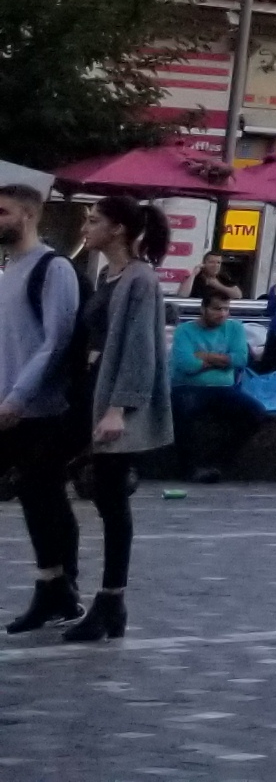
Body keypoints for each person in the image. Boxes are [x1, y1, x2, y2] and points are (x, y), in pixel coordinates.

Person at [57, 199, 170, 645]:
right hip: (91, 394)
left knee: (111, 500)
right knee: (97, 494)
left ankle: (111, 600)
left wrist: (119, 408)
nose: (87, 227)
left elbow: (141, 348)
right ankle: (85, 594)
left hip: (113, 403)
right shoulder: (107, 276)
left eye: (94, 220)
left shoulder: (140, 279)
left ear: (119, 229)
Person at [0, 179, 89, 633]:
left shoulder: (53, 269)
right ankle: (53, 590)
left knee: (45, 497)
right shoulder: (7, 270)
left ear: (29, 215)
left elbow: (57, 342)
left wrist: (18, 396)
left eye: (3, 212)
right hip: (10, 406)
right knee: (38, 500)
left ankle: (59, 590)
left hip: (44, 409)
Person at [170, 285, 262, 482]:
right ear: (203, 309)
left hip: (223, 389)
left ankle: (218, 461)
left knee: (256, 413)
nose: (222, 314)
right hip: (188, 387)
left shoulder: (235, 328)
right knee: (182, 412)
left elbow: (240, 360)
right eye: (217, 309)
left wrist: (205, 357)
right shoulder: (185, 331)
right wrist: (222, 361)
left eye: (226, 309)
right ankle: (189, 468)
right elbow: (186, 365)